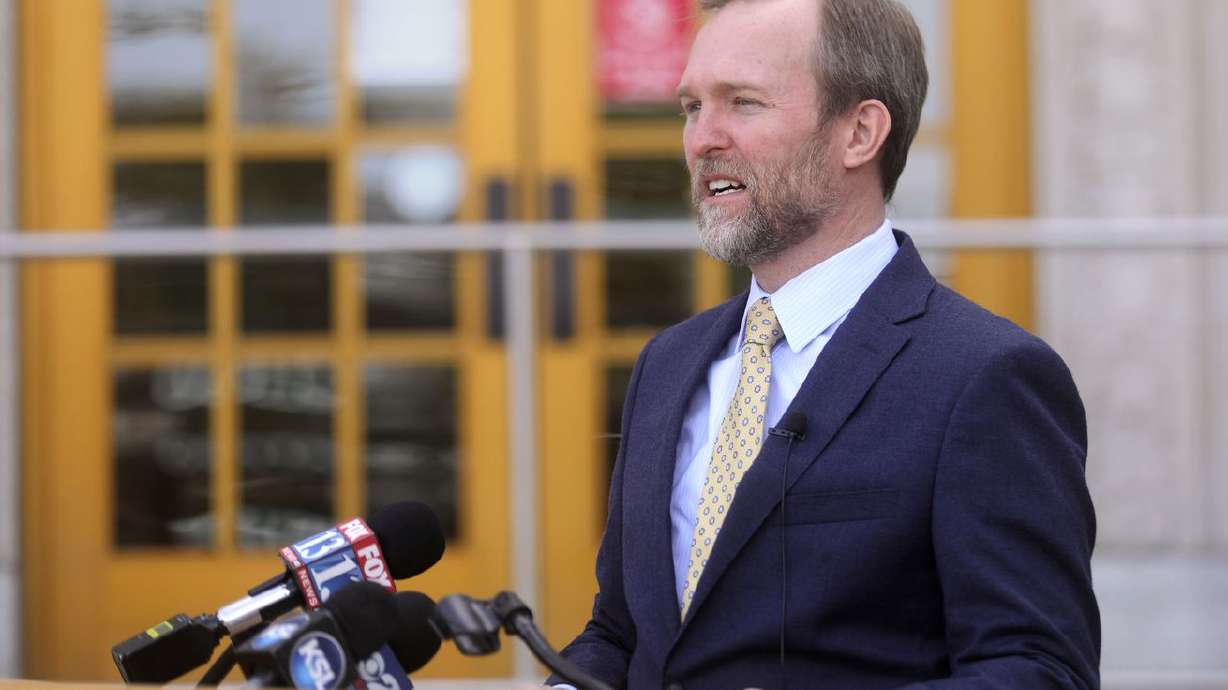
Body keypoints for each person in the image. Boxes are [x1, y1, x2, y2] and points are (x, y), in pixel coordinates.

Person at [552, 0, 1100, 688]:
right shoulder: (668, 363)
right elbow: (620, 633)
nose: (702, 139)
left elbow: (1039, 670)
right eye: (692, 107)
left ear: (859, 132)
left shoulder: (986, 375)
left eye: (743, 102)